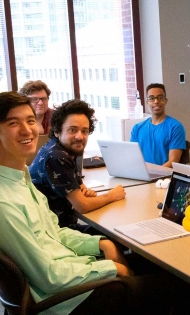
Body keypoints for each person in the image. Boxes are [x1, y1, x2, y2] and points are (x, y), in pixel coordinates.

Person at [0, 91, 190, 315]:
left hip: (66, 277)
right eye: (13, 123)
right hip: (61, 302)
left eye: (30, 121)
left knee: (154, 266)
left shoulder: (17, 180)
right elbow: (50, 276)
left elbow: (54, 234)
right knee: (184, 283)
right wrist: (113, 268)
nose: (27, 130)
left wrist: (100, 244)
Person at [29, 99, 125, 230]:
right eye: (72, 130)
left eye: (84, 131)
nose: (79, 136)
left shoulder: (63, 148)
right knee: (117, 233)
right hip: (55, 232)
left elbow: (80, 189)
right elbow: (83, 206)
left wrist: (81, 191)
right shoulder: (56, 157)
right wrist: (111, 195)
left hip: (57, 225)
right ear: (57, 131)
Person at [130, 83, 186, 167]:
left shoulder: (176, 127)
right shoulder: (137, 128)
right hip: (142, 175)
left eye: (160, 98)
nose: (156, 101)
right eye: (151, 98)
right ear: (147, 102)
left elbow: (173, 162)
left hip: (163, 177)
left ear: (165, 101)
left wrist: (154, 175)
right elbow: (133, 157)